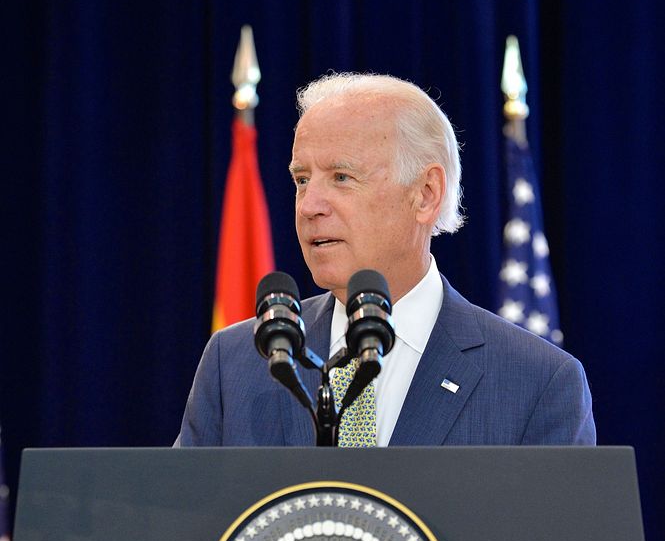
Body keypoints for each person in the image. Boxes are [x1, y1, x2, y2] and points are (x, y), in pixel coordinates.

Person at [175, 73, 595, 447]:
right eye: (302, 180)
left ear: (426, 194)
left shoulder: (536, 382)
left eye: (341, 177)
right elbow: (187, 530)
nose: (310, 206)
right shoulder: (235, 362)